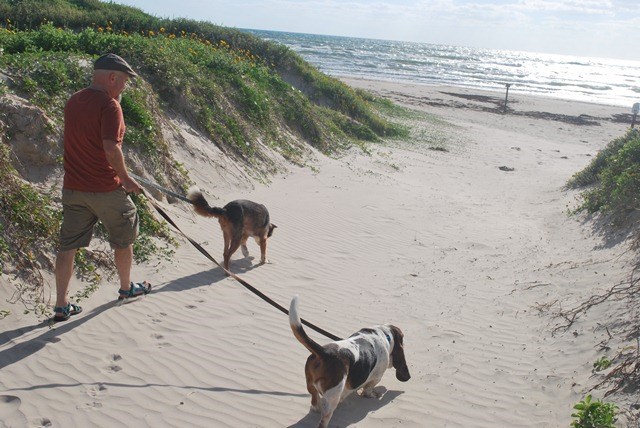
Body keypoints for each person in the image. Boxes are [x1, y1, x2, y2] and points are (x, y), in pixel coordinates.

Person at [53, 53, 151, 322]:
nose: (124, 87)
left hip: (73, 188)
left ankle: (61, 304)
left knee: (67, 246)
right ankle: (126, 287)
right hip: (106, 188)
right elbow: (111, 148)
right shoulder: (110, 106)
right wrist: (126, 179)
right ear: (111, 77)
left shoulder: (74, 100)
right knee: (124, 236)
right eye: (124, 82)